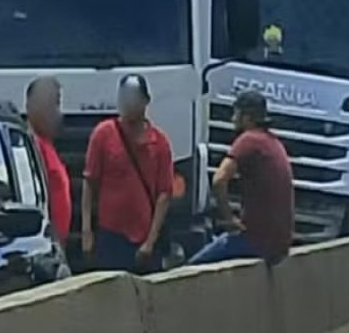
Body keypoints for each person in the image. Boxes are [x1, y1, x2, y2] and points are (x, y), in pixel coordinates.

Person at [188, 90, 294, 266]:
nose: (232, 119)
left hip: (255, 241)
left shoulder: (249, 140)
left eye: (235, 114)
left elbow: (219, 180)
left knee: (190, 269)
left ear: (246, 117)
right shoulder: (273, 142)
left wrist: (229, 219)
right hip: (279, 244)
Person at [82, 74, 173, 273]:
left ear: (146, 101)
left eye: (133, 98)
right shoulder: (103, 134)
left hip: (144, 237)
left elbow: (164, 195)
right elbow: (89, 183)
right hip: (110, 235)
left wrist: (150, 241)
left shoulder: (160, 143)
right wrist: (87, 231)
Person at [25, 75, 71, 244]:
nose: (59, 114)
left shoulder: (46, 145)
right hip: (45, 242)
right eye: (54, 104)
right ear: (31, 106)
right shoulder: (30, 147)